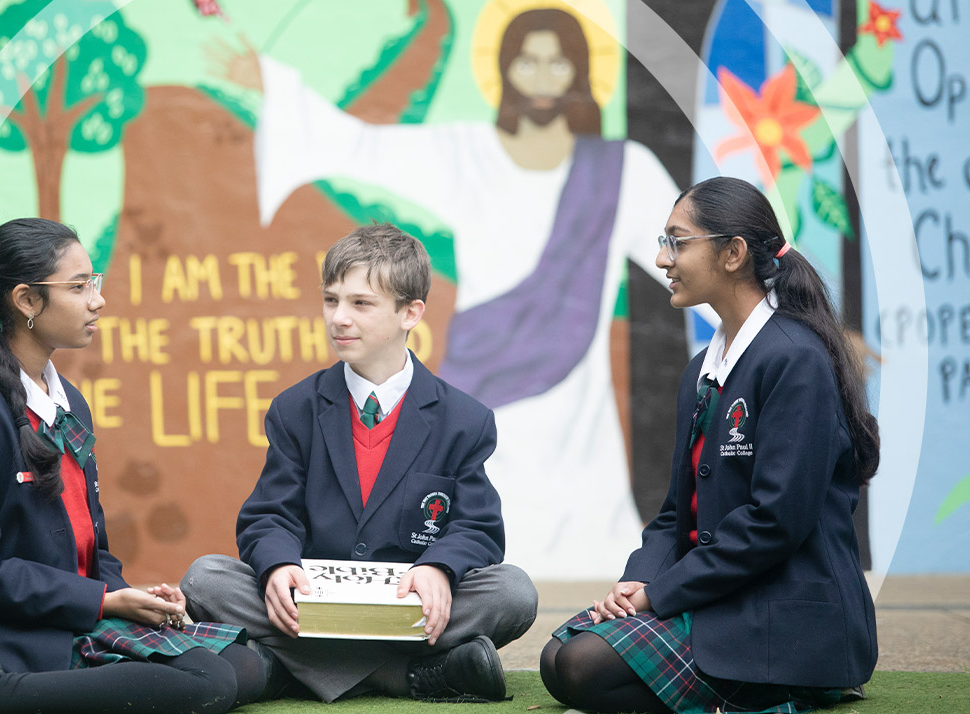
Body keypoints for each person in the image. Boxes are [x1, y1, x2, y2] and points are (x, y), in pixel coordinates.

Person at [215, 5, 684, 577]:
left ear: (580, 72)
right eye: (527, 62)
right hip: (486, 374)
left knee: (533, 565)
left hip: (576, 403)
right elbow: (361, 147)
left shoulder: (621, 169)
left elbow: (688, 257)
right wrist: (275, 86)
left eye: (557, 63)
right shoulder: (467, 152)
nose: (541, 78)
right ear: (505, 70)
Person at [0, 218, 267, 714]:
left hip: (72, 615)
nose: (97, 300)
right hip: (9, 636)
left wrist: (130, 596)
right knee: (205, 682)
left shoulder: (69, 402)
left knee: (242, 666)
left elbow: (91, 548)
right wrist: (103, 603)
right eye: (79, 287)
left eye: (93, 283)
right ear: (27, 301)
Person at [539, 177, 880, 714]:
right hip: (722, 593)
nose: (660, 258)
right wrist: (640, 579)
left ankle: (794, 685)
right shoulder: (704, 368)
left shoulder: (794, 358)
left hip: (784, 611)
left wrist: (663, 594)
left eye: (677, 241)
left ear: (733, 254)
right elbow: (676, 514)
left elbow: (776, 522)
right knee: (557, 659)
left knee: (585, 667)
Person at [180, 224, 538, 704]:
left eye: (361, 304)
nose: (339, 318)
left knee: (513, 592)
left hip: (405, 606)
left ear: (411, 312)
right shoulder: (295, 408)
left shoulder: (465, 420)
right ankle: (403, 676)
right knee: (206, 578)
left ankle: (291, 668)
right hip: (313, 602)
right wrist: (278, 566)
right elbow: (270, 514)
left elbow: (478, 528)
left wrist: (438, 568)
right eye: (332, 300)